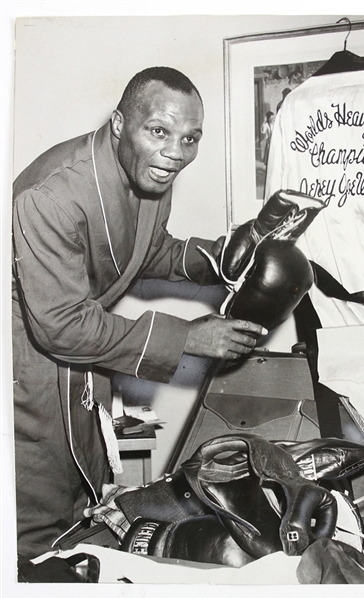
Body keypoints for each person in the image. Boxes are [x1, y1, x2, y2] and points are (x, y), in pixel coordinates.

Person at [12, 66, 265, 559]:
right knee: (34, 517)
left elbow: (145, 252)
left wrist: (225, 254)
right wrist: (188, 337)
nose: (176, 152)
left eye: (190, 138)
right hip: (26, 365)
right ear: (118, 124)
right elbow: (60, 324)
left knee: (86, 497)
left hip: (81, 356)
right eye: (160, 131)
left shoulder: (146, 170)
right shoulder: (52, 195)